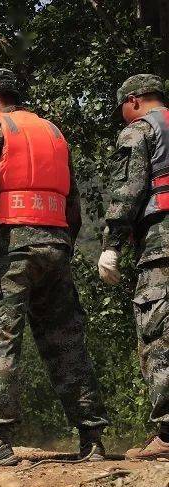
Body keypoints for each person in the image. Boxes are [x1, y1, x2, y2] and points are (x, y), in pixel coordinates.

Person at [0, 68, 109, 465]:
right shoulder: (53, 133)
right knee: (67, 342)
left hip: (11, 252)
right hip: (56, 247)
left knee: (2, 341)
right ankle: (92, 438)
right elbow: (73, 203)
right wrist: (63, 244)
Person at [99, 73, 169, 460]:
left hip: (162, 244)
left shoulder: (140, 129)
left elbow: (128, 189)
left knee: (159, 332)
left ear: (134, 100)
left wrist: (111, 245)